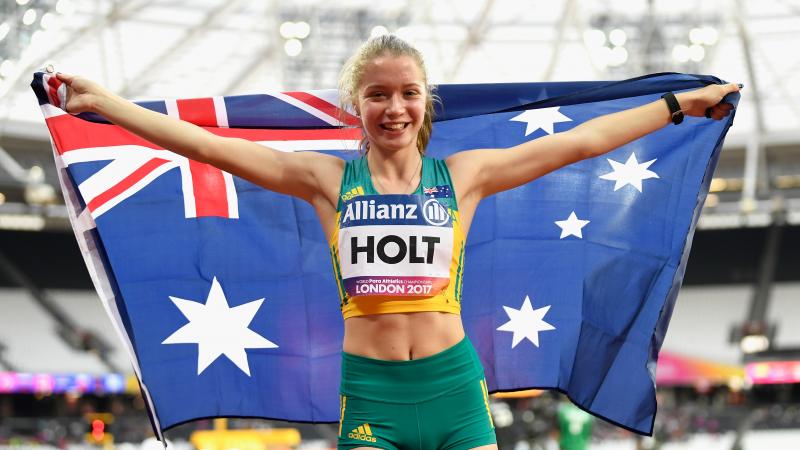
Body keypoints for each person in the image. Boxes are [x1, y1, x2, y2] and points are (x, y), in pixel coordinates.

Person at [55, 34, 738, 450]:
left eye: (408, 92)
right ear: (358, 105)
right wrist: (106, 103)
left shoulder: (466, 177)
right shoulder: (323, 181)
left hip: (454, 390)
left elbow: (582, 142)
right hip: (372, 397)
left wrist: (679, 105)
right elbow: (210, 146)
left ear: (424, 103)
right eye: (377, 94)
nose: (394, 107)